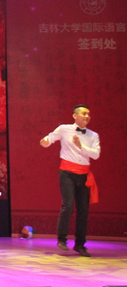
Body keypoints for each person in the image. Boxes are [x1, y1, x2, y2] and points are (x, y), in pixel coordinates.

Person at [40, 105, 100, 257]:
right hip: (67, 173)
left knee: (83, 210)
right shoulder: (64, 129)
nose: (86, 116)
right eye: (83, 113)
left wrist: (81, 146)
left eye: (88, 114)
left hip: (84, 175)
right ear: (74, 116)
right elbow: (50, 138)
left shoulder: (93, 135)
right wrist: (45, 141)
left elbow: (96, 155)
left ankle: (80, 244)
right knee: (67, 205)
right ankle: (62, 239)